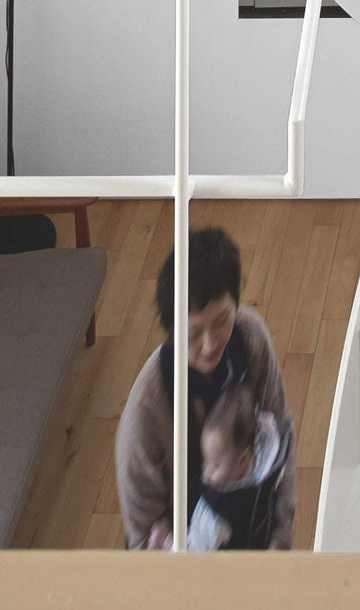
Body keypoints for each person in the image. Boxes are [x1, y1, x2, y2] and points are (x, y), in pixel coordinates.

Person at [115, 224, 297, 550]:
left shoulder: (250, 336)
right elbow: (142, 536)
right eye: (193, 332)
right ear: (170, 328)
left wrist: (280, 540)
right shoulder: (146, 409)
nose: (211, 343)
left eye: (222, 320)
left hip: (256, 531)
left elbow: (282, 435)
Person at [187, 377, 290, 551]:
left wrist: (169, 543)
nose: (206, 473)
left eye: (215, 466)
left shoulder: (216, 513)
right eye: (205, 462)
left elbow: (193, 553)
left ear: (243, 459)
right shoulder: (268, 458)